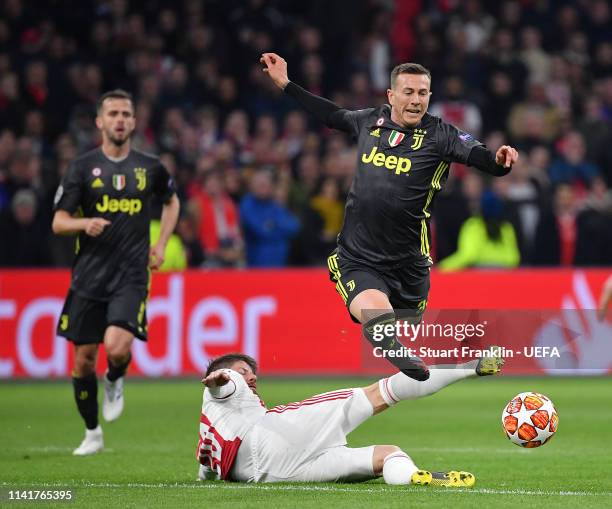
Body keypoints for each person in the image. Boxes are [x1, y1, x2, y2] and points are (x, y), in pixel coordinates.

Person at [260, 53, 518, 380]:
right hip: (358, 255)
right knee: (378, 319)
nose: (415, 100)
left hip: (409, 262)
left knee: (409, 324)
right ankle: (387, 341)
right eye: (408, 92)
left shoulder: (442, 135)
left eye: (422, 93)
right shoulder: (371, 120)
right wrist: (286, 84)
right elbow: (331, 114)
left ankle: (413, 348)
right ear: (391, 96)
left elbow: (482, 156)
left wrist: (499, 161)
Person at [52, 89, 180, 455]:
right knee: (83, 359)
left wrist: (161, 244)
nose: (120, 119)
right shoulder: (81, 167)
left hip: (131, 273)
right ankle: (92, 432)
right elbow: (59, 222)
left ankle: (115, 378)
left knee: (116, 346)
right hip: (89, 276)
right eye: (113, 114)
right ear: (100, 122)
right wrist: (84, 223)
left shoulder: (151, 166)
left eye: (126, 113)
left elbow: (172, 202)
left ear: (134, 122)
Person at [196, 352, 503, 485]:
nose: (249, 378)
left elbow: (206, 470)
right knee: (380, 394)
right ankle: (469, 367)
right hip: (272, 435)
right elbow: (225, 380)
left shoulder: (210, 430)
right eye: (243, 370)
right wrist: (221, 378)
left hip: (271, 475)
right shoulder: (224, 389)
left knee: (388, 455)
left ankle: (412, 477)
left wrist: (204, 478)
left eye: (252, 373)